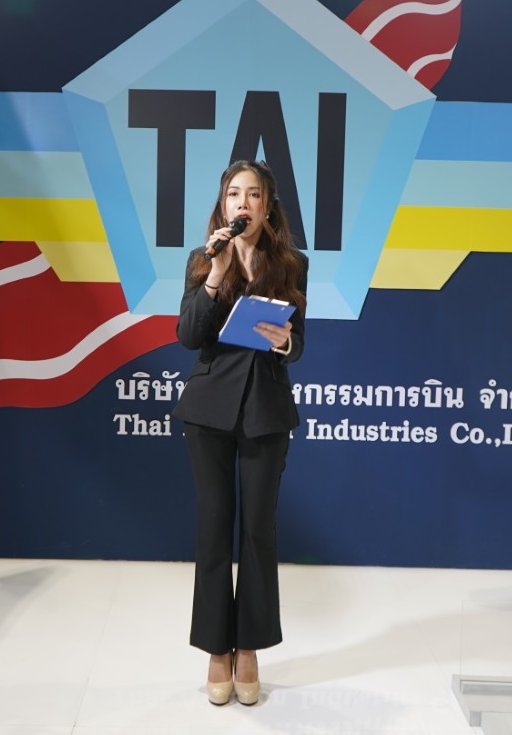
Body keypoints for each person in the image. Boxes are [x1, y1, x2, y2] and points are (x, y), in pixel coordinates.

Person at [173, 160, 307, 707]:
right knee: (213, 530)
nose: (243, 203)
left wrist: (283, 341)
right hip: (209, 411)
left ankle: (248, 646)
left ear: (267, 205)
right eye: (234, 194)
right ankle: (216, 648)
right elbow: (188, 335)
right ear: (223, 204)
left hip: (266, 411)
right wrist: (215, 272)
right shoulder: (203, 258)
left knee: (257, 531)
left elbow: (298, 344)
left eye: (253, 194)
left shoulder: (291, 263)